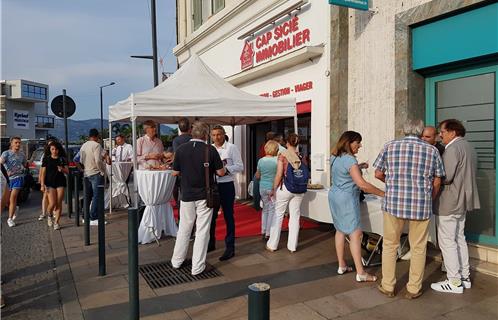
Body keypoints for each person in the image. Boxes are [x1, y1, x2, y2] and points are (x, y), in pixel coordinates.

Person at [373, 119, 445, 299]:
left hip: (394, 203)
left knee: (390, 244)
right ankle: (413, 288)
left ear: (404, 130)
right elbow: (437, 180)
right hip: (420, 204)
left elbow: (378, 173)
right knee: (419, 247)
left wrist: (392, 184)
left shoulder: (390, 146)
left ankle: (388, 285)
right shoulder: (432, 150)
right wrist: (430, 196)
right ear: (421, 131)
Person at [430, 119, 480, 294]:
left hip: (449, 201)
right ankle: (464, 277)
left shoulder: (452, 149)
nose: (440, 135)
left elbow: (446, 176)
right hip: (463, 201)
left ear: (452, 132)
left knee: (447, 241)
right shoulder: (469, 147)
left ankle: (454, 281)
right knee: (459, 238)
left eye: (442, 132)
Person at [328, 131, 385, 282]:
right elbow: (362, 185)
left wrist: (359, 166)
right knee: (355, 234)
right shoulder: (349, 160)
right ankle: (361, 272)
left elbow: (345, 170)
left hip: (334, 196)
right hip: (346, 199)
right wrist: (383, 193)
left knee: (340, 230)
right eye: (357, 142)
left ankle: (342, 265)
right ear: (349, 142)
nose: (360, 145)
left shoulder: (334, 156)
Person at [171, 121, 225, 275]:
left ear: (191, 133)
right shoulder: (210, 150)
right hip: (204, 195)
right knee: (202, 230)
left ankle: (176, 261)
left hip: (186, 194)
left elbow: (174, 173)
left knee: (184, 229)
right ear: (206, 135)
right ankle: (197, 267)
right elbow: (220, 173)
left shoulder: (181, 149)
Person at [208, 125, 244, 261]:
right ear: (211, 136)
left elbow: (240, 166)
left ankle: (230, 248)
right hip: (213, 186)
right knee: (211, 217)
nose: (216, 137)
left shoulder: (232, 148)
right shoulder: (209, 149)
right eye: (214, 135)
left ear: (224, 134)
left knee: (229, 216)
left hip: (227, 185)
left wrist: (225, 170)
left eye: (219, 134)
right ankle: (211, 243)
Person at [266, 133, 306, 252]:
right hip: (299, 189)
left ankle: (272, 244)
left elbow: (279, 174)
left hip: (285, 188)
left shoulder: (282, 155)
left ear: (287, 143)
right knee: (295, 216)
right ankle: (292, 246)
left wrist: (273, 189)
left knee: (278, 215)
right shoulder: (301, 155)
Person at [80, 129, 108, 226]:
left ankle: (85, 215)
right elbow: (98, 160)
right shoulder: (96, 145)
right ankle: (94, 216)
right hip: (95, 172)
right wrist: (101, 170)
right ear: (97, 136)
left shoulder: (83, 145)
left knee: (87, 196)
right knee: (97, 196)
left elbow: (81, 160)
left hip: (86, 173)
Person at [39, 141, 69, 230]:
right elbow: (43, 173)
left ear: (59, 150)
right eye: (52, 149)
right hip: (49, 183)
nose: (54, 151)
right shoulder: (46, 159)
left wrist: (62, 169)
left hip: (60, 182)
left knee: (58, 203)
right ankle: (49, 215)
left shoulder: (62, 159)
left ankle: (56, 222)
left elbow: (67, 171)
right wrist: (42, 184)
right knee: (52, 203)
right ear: (50, 150)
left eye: (56, 149)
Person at [0, 136, 27, 227]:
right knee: (6, 200)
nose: (18, 144)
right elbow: (1, 162)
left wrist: (22, 168)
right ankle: (15, 208)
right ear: (11, 143)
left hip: (18, 178)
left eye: (19, 143)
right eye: (16, 142)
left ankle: (10, 219)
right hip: (7, 179)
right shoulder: (6, 153)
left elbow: (25, 164)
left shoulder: (22, 155)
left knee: (13, 198)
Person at [255, 140, 279, 240]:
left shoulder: (261, 160)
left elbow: (257, 175)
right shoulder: (277, 161)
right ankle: (268, 232)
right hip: (272, 187)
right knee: (272, 210)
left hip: (262, 187)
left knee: (265, 209)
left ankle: (263, 230)